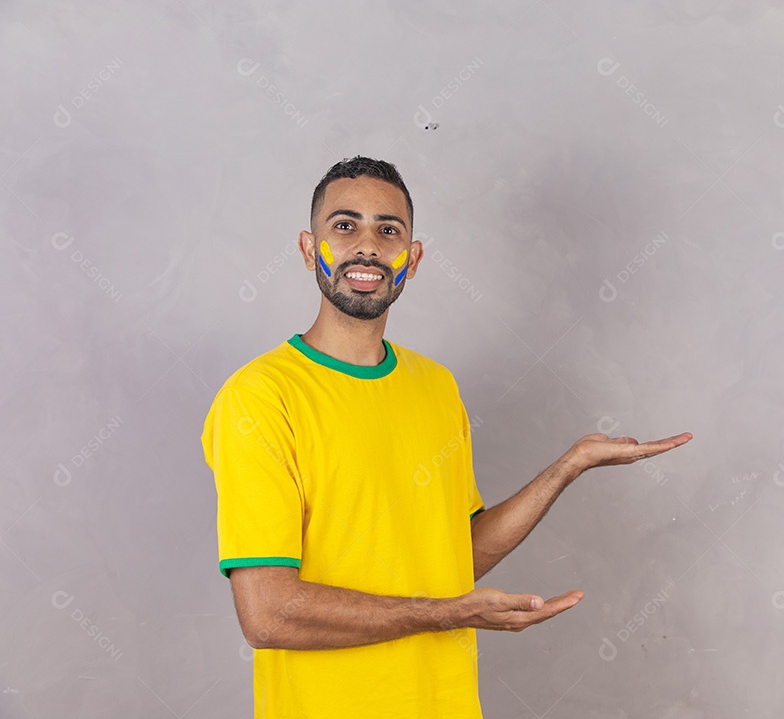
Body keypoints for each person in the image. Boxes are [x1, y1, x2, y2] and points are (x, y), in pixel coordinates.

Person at [200, 155, 693, 718]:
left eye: (389, 230)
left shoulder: (435, 386)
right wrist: (446, 614)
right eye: (345, 225)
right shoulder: (260, 397)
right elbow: (269, 614)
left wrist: (569, 465)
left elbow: (455, 557)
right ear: (310, 249)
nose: (367, 246)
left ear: (413, 258)